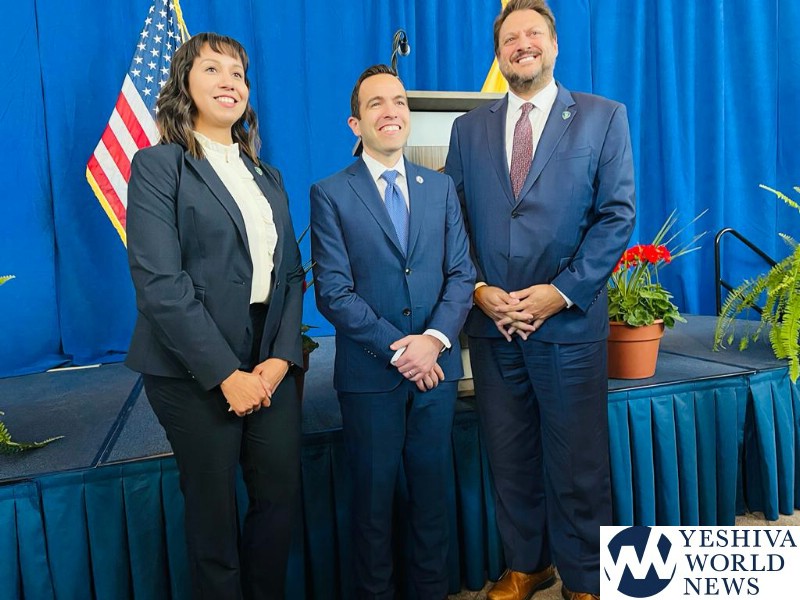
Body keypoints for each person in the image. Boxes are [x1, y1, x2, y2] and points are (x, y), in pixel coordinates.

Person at [445, 1, 636, 599]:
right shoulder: (468, 128)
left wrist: (561, 292)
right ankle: (529, 565)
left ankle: (586, 577)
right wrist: (479, 290)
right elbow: (452, 220)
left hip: (568, 325)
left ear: (554, 46)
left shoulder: (603, 117)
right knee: (510, 457)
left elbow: (616, 216)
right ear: (499, 54)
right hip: (494, 324)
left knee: (579, 462)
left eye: (533, 34)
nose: (522, 44)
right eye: (510, 37)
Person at [126, 33, 304, 600]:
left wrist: (280, 360)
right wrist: (227, 374)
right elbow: (160, 284)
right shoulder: (159, 166)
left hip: (269, 363)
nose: (229, 81)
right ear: (184, 84)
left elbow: (291, 275)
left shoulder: (267, 175)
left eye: (238, 73)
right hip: (192, 370)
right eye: (212, 69)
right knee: (213, 519)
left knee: (278, 503)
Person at [310, 64, 475, 599]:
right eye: (376, 103)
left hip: (436, 375)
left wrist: (434, 342)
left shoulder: (441, 187)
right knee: (373, 509)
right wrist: (403, 352)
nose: (391, 111)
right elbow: (333, 292)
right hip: (370, 379)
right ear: (355, 123)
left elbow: (461, 275)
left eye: (399, 101)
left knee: (431, 503)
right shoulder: (330, 193)